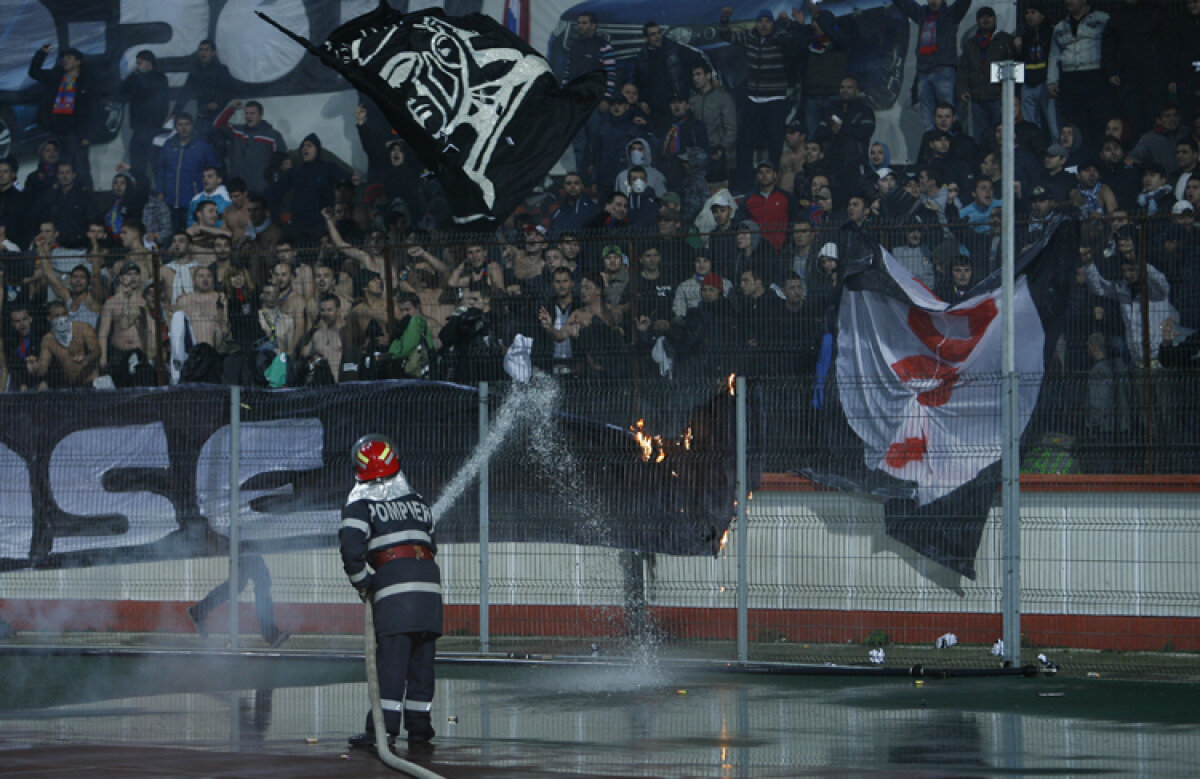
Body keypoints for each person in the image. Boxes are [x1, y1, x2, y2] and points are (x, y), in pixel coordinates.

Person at [342, 435, 441, 748]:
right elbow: (431, 544)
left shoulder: (360, 506)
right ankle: (420, 728)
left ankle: (381, 732)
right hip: (429, 589)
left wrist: (363, 582)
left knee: (392, 665)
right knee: (422, 663)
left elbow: (350, 549)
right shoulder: (420, 502)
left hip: (395, 589)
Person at [717, 7, 802, 189]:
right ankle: (746, 184)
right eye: (761, 21)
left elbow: (794, 44)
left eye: (767, 21)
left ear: (772, 24)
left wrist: (791, 24)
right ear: (757, 23)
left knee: (775, 144)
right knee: (746, 143)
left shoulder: (779, 38)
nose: (764, 25)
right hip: (754, 98)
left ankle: (775, 184)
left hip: (775, 98)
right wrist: (724, 19)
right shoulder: (750, 37)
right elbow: (726, 36)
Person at [892, 0, 974, 131]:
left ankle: (952, 144)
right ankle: (931, 144)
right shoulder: (922, 14)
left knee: (948, 113)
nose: (933, 1)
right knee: (927, 116)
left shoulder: (951, 14)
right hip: (924, 72)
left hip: (944, 69)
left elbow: (964, 3)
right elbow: (906, 4)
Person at [27, 44, 98, 189]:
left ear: (78, 61)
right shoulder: (56, 76)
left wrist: (88, 135)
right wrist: (41, 54)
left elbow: (93, 111)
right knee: (54, 168)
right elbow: (34, 72)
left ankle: (86, 197)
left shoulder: (86, 82)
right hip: (55, 131)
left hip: (75, 133)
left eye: (69, 58)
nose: (65, 60)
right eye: (64, 58)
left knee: (80, 167)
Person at [187, 554, 290, 648]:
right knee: (261, 582)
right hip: (246, 545)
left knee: (238, 584)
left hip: (243, 544)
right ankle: (271, 634)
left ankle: (199, 610)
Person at [1047, 0, 1111, 150]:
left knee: (1098, 121)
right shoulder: (1060, 27)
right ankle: (1078, 159)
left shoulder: (1102, 20)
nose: (1069, 1)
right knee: (1074, 123)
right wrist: (1052, 81)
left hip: (1094, 75)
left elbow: (1113, 45)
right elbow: (1054, 55)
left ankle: (1098, 159)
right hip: (1069, 79)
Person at [957, 6, 1016, 147]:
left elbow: (1014, 66)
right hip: (976, 96)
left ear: (995, 19)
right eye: (982, 17)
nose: (986, 19)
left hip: (998, 97)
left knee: (999, 135)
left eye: (989, 16)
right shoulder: (970, 44)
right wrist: (962, 89)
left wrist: (1012, 92)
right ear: (978, 20)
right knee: (978, 137)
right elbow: (963, 69)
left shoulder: (1006, 40)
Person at [158, 113, 217, 233]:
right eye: (180, 125)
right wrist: (160, 191)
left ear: (192, 126)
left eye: (187, 124)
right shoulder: (168, 145)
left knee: (192, 235)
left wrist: (208, 194)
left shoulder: (202, 147)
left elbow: (213, 171)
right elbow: (161, 170)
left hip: (193, 201)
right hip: (170, 200)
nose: (184, 128)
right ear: (175, 127)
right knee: (171, 236)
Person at [118, 50, 170, 189]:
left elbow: (152, 94)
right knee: (137, 165)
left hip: (154, 129)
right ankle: (139, 193)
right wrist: (132, 76)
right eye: (137, 63)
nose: (138, 65)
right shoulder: (135, 78)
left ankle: (161, 193)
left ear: (149, 62)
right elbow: (121, 91)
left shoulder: (160, 78)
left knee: (157, 165)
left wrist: (140, 76)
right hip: (138, 128)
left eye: (140, 62)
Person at [214, 100, 288, 196]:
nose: (249, 116)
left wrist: (276, 186)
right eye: (246, 113)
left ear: (261, 115)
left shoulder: (273, 135)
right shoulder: (237, 131)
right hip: (238, 190)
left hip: (262, 189)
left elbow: (282, 163)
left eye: (252, 113)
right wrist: (231, 108)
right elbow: (218, 125)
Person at [173, 39, 235, 146]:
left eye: (206, 50)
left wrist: (218, 103)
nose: (203, 53)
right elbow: (185, 93)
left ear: (213, 53)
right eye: (201, 50)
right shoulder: (195, 72)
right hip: (202, 115)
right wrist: (175, 113)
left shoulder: (221, 70)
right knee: (199, 146)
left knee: (218, 147)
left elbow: (229, 91)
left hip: (219, 117)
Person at [689, 61, 738, 181]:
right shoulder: (693, 100)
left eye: (698, 74)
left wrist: (721, 149)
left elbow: (731, 128)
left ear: (708, 76)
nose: (695, 78)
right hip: (699, 154)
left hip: (719, 154)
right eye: (693, 75)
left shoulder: (723, 98)